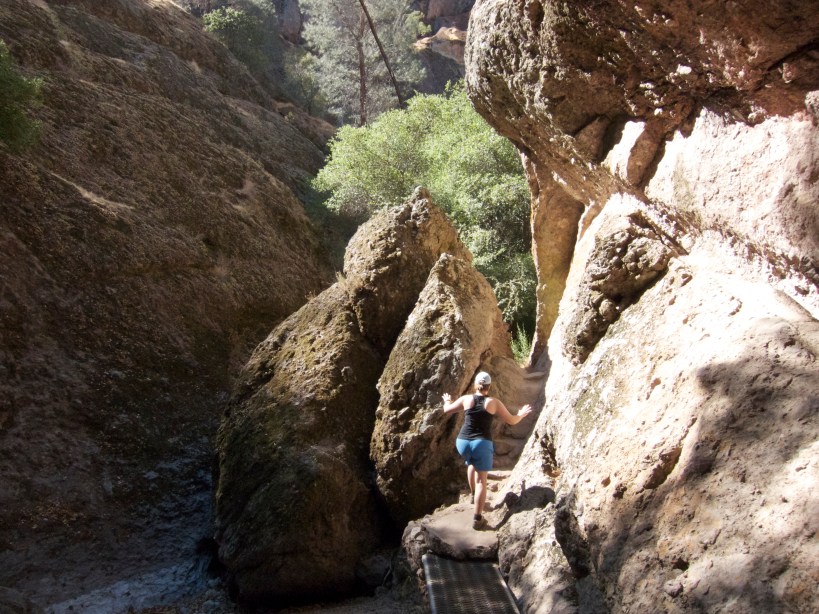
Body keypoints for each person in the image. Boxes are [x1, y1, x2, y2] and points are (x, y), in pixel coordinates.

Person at [442, 371, 533, 530]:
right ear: (489, 386)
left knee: (471, 464)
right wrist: (521, 415)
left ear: (475, 385)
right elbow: (511, 420)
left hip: (463, 442)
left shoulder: (466, 399)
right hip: (481, 443)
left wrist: (447, 400)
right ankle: (477, 519)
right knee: (481, 480)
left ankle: (473, 496)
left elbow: (447, 409)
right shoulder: (493, 402)